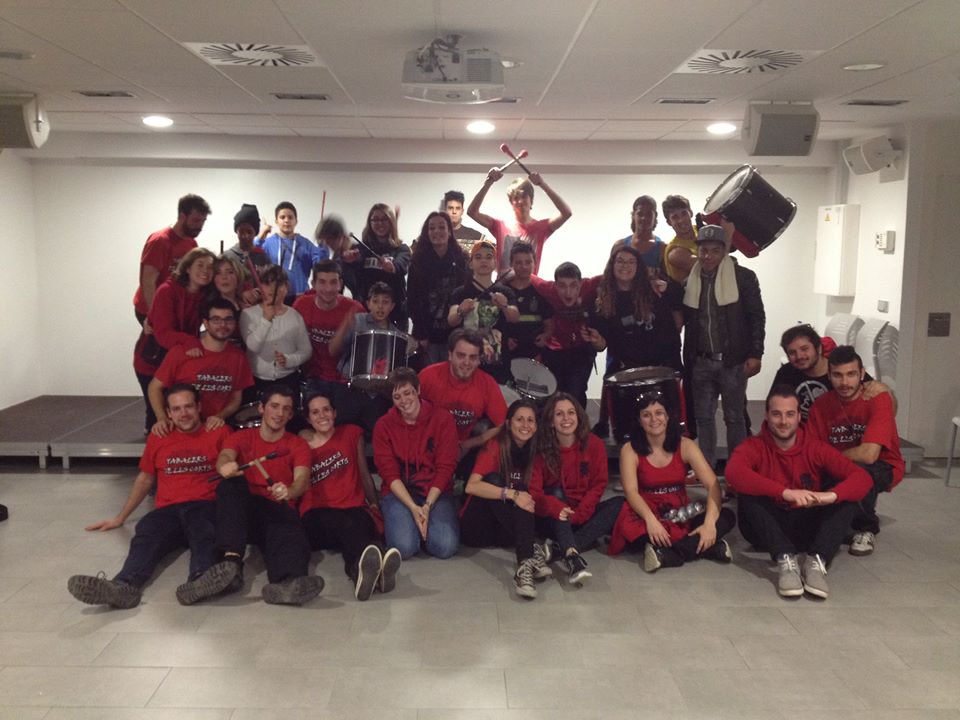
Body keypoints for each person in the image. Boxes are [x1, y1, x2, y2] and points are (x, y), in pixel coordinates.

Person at [67, 384, 236, 608]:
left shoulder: (219, 432)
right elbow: (145, 479)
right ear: (168, 413)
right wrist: (120, 518)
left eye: (188, 407)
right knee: (146, 535)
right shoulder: (159, 437)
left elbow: (233, 468)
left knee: (204, 533)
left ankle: (200, 580)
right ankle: (122, 586)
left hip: (204, 505)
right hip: (168, 510)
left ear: (199, 407)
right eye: (176, 409)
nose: (183, 413)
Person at [726, 387, 873, 599]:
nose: (783, 421)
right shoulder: (753, 446)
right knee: (748, 492)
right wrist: (785, 493)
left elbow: (862, 478)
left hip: (807, 528)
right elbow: (733, 473)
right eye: (776, 414)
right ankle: (785, 560)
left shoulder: (815, 447)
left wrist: (829, 496)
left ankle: (817, 561)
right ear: (766, 415)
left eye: (789, 414)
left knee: (845, 497)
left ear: (798, 417)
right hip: (766, 531)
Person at [200, 384, 323, 605]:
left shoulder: (297, 445)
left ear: (291, 415)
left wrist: (289, 491)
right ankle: (231, 564)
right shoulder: (241, 436)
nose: (280, 413)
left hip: (275, 508)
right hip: (243, 513)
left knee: (290, 529)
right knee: (229, 486)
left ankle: (287, 583)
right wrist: (225, 466)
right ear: (261, 408)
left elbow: (301, 481)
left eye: (286, 409)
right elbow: (225, 456)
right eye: (274, 406)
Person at [608, 395, 734, 571]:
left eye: (659, 413)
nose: (654, 419)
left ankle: (667, 555)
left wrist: (709, 525)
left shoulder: (686, 445)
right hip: (646, 514)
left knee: (727, 516)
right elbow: (631, 492)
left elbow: (713, 485)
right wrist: (651, 521)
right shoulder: (630, 449)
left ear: (667, 417)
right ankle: (707, 548)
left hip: (681, 514)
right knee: (636, 534)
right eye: (646, 415)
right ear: (639, 420)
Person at [299, 392, 401, 600]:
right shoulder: (301, 442)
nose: (322, 416)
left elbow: (364, 473)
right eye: (315, 413)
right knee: (348, 524)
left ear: (335, 413)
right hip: (316, 514)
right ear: (308, 419)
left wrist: (374, 504)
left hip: (352, 508)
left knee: (360, 522)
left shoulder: (352, 433)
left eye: (326, 410)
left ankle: (369, 573)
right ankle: (365, 569)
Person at [807, 345, 905, 557]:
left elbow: (869, 454)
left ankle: (866, 527)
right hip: (839, 466)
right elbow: (813, 453)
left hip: (882, 465)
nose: (844, 382)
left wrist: (832, 460)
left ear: (862, 374)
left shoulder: (878, 398)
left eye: (851, 374)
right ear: (829, 376)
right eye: (838, 375)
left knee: (860, 471)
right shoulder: (821, 406)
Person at [682, 224, 765, 469]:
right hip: (701, 361)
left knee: (734, 417)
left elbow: (756, 317)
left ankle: (738, 469)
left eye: (714, 250)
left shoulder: (743, 278)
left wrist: (756, 353)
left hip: (733, 361)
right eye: (703, 250)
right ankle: (705, 468)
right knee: (703, 418)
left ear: (724, 251)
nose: (707, 256)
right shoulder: (690, 281)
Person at [590, 245, 684, 438]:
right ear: (612, 265)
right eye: (620, 261)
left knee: (666, 431)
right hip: (628, 373)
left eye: (630, 262)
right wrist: (597, 341)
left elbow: (681, 300)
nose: (625, 266)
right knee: (630, 433)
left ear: (638, 266)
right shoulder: (604, 300)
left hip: (661, 369)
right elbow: (602, 344)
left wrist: (667, 288)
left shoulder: (654, 289)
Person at [530, 393, 624, 584]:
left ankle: (558, 549)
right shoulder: (541, 449)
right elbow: (534, 494)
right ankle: (572, 558)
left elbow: (599, 485)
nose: (566, 418)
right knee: (555, 493)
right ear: (551, 421)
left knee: (620, 504)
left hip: (581, 515)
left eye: (571, 412)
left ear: (579, 416)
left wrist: (580, 514)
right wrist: (556, 508)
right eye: (559, 414)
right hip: (554, 517)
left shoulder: (595, 444)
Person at [461, 399, 551, 598]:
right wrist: (511, 494)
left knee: (523, 491)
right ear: (509, 423)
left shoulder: (536, 453)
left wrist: (519, 495)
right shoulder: (496, 445)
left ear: (537, 426)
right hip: (476, 529)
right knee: (495, 481)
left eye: (530, 420)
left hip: (506, 532)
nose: (525, 425)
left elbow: (534, 496)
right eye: (520, 419)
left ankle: (525, 564)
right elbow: (471, 486)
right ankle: (529, 552)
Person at [373, 368, 460, 559]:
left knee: (445, 547)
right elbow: (389, 474)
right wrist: (413, 508)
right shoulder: (383, 425)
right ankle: (413, 524)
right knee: (403, 548)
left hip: (436, 492)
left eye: (408, 393)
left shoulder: (442, 419)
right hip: (400, 493)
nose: (404, 401)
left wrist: (427, 506)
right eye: (397, 397)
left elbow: (446, 468)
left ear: (418, 390)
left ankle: (423, 525)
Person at [133, 247, 216, 433]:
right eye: (200, 265)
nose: (205, 270)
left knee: (179, 413)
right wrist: (191, 342)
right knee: (158, 414)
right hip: (152, 361)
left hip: (177, 359)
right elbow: (163, 334)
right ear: (188, 268)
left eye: (210, 267)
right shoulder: (167, 291)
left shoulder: (204, 294)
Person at [148, 298, 253, 435]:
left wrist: (220, 416)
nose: (223, 325)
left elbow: (235, 398)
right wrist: (162, 418)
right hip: (183, 428)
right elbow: (154, 387)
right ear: (206, 323)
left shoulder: (239, 357)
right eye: (216, 320)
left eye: (228, 320)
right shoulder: (181, 352)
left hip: (215, 430)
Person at [418, 328, 508, 477]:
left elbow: (503, 425)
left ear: (479, 360)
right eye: (461, 355)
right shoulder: (428, 376)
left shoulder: (487, 383)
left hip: (463, 450)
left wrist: (471, 443)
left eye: (473, 357)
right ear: (450, 355)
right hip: (426, 446)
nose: (467, 362)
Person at [328, 281, 408, 432]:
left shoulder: (396, 334)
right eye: (375, 301)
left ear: (392, 306)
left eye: (385, 302)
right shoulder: (357, 321)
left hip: (377, 395)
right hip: (350, 388)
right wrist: (344, 326)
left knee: (376, 433)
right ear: (368, 303)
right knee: (342, 432)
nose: (380, 306)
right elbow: (333, 350)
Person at [771, 323, 890, 423]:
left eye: (804, 349)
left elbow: (884, 400)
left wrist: (884, 390)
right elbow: (773, 408)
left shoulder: (840, 369)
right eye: (792, 353)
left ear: (819, 348)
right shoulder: (786, 373)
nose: (799, 356)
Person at [467, 169, 572, 275]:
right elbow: (472, 212)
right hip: (504, 284)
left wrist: (542, 184)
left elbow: (566, 213)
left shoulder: (541, 227)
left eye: (524, 197)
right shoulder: (500, 226)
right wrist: (488, 182)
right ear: (511, 202)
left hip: (530, 284)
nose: (520, 201)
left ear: (531, 200)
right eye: (516, 198)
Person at [530, 262, 604, 408]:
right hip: (556, 349)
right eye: (562, 286)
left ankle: (579, 421)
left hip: (582, 349)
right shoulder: (548, 289)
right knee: (553, 394)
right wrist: (507, 274)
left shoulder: (589, 286)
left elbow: (613, 273)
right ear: (555, 286)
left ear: (581, 284)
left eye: (573, 286)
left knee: (576, 392)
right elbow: (530, 277)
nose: (568, 292)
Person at [447, 239, 519, 383]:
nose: (483, 261)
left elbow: (514, 317)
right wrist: (461, 311)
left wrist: (504, 306)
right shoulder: (460, 292)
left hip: (497, 363)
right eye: (478, 257)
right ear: (471, 263)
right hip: (466, 362)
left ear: (495, 263)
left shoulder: (505, 291)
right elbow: (451, 320)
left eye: (489, 257)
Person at [239, 264, 312, 404]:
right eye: (267, 284)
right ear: (260, 287)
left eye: (279, 284)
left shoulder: (295, 316)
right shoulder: (248, 314)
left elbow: (306, 351)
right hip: (257, 380)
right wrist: (266, 320)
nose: (273, 289)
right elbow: (253, 346)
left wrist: (289, 360)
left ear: (287, 286)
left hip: (288, 380)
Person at [133, 193, 210, 325]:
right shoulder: (160, 241)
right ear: (182, 216)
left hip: (172, 307)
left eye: (203, 221)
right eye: (196, 221)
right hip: (151, 308)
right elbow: (148, 282)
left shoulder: (191, 243)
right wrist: (156, 315)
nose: (200, 226)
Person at [295, 259, 365, 402]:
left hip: (345, 380)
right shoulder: (301, 305)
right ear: (313, 284)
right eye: (322, 282)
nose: (328, 289)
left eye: (333, 282)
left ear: (340, 284)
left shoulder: (355, 309)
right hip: (312, 377)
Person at [406, 211, 468, 364]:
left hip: (455, 333)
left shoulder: (461, 260)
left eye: (441, 227)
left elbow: (465, 294)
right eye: (432, 228)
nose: (436, 231)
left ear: (449, 231)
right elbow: (413, 299)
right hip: (426, 334)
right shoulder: (417, 262)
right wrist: (421, 334)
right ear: (426, 233)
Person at [342, 203, 411, 327]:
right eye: (375, 220)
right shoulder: (360, 249)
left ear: (391, 221)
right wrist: (349, 261)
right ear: (370, 223)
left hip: (395, 315)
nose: (380, 223)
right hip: (365, 313)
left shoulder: (402, 249)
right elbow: (352, 273)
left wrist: (392, 267)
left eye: (384, 219)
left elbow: (401, 266)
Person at [256, 201, 327, 302]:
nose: (286, 220)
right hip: (274, 296)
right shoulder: (268, 243)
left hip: (300, 297)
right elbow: (251, 253)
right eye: (282, 217)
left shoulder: (306, 244)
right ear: (276, 221)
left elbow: (321, 265)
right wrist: (262, 235)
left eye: (290, 217)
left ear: (296, 221)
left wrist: (323, 244)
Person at [501, 242, 554, 361]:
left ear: (535, 263)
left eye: (528, 262)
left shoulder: (542, 291)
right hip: (506, 353)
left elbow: (549, 323)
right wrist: (503, 338)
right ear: (511, 264)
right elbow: (495, 322)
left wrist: (546, 336)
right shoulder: (502, 290)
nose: (524, 266)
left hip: (534, 354)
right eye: (519, 262)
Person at [611, 195, 665, 275]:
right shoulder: (619, 246)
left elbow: (666, 279)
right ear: (633, 215)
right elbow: (609, 276)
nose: (644, 218)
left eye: (648, 214)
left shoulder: (662, 249)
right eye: (640, 214)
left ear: (655, 216)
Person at [224, 203, 268, 282]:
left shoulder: (262, 257)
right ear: (236, 231)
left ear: (255, 233)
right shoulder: (227, 256)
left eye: (249, 232)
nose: (245, 236)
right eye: (241, 231)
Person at [661, 194, 698, 283]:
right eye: (675, 217)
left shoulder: (701, 229)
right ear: (669, 222)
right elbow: (709, 266)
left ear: (691, 213)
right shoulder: (674, 252)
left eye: (684, 213)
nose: (681, 220)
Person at [442, 190, 485, 256]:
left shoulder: (476, 236)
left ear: (462, 211)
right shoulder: (435, 235)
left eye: (458, 208)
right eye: (450, 208)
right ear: (445, 211)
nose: (454, 212)